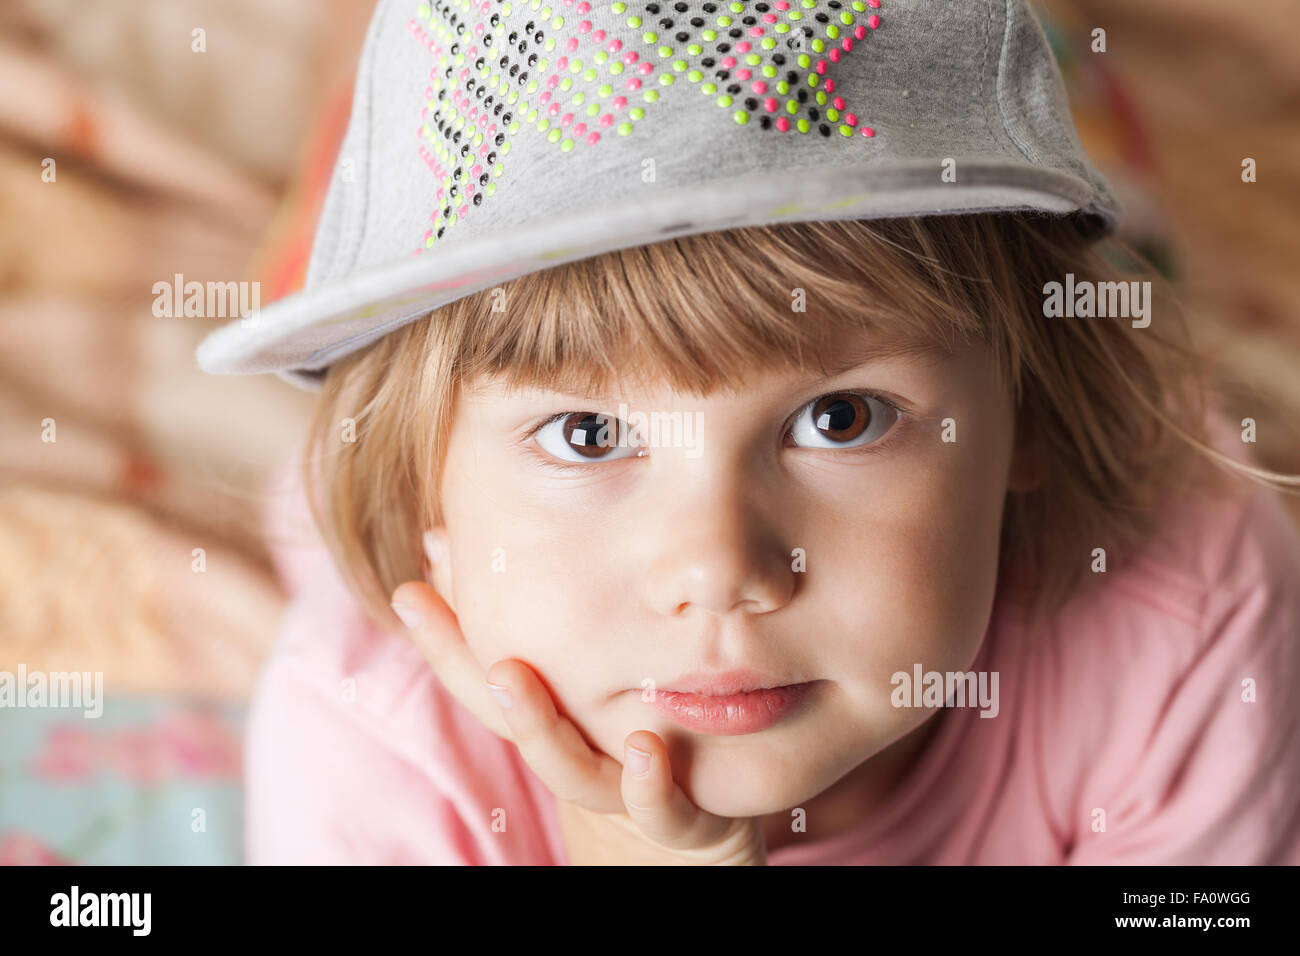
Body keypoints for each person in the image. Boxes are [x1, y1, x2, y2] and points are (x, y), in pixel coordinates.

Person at [197, 0, 1300, 864]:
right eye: (584, 433)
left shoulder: (1192, 608)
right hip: (502, 137)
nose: (718, 569)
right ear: (431, 504)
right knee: (374, 161)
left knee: (1098, 210)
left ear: (1031, 418)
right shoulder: (369, 727)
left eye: (840, 417)